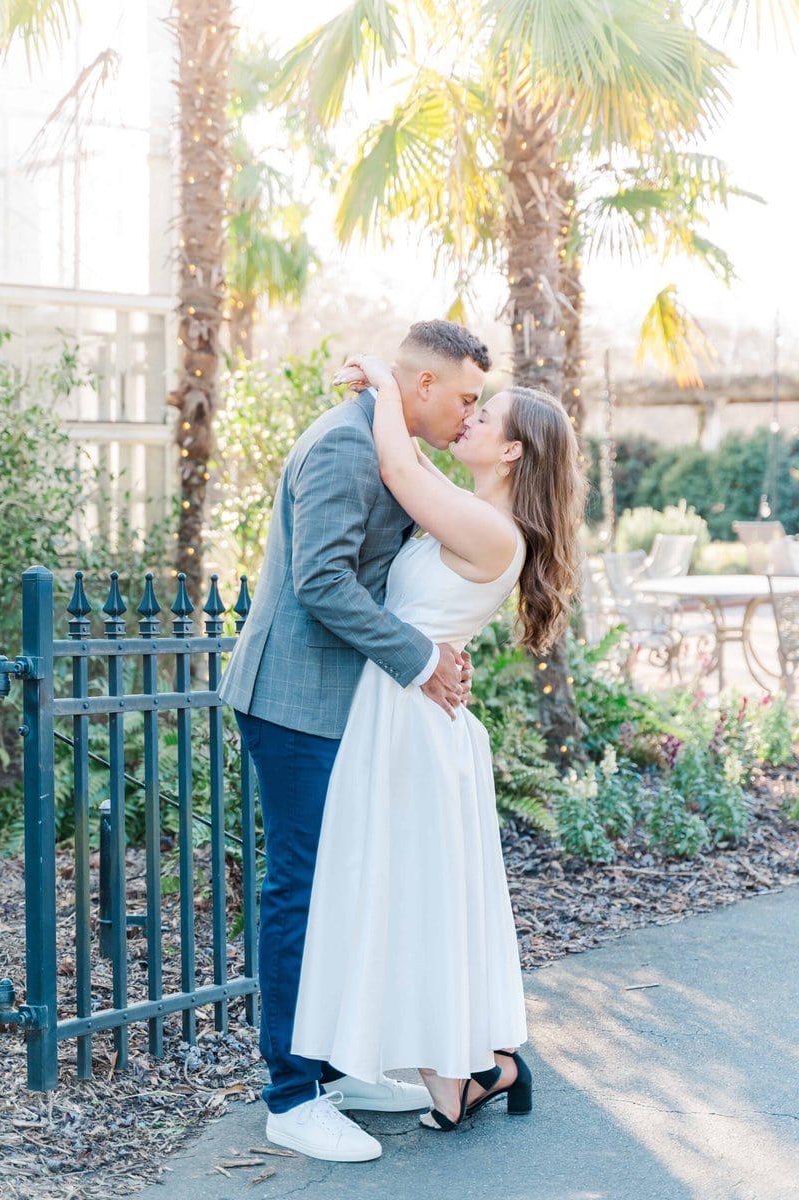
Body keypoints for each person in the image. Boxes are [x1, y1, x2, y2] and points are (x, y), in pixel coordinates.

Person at [291, 353, 586, 1140]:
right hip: (404, 717)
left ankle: (468, 1072)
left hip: (414, 731)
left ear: (514, 451)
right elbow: (410, 465)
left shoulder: (491, 529)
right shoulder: (472, 510)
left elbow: (395, 460)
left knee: (411, 898)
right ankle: (473, 1069)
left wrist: (388, 384)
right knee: (409, 896)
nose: (470, 418)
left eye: (486, 416)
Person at [218, 320, 492, 1163]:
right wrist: (419, 660)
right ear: (423, 386)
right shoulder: (343, 446)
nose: (470, 414)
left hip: (344, 706)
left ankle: (332, 1071)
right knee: (300, 892)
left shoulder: (382, 435)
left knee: (345, 888)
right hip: (296, 702)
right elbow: (322, 581)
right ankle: (291, 1097)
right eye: (466, 398)